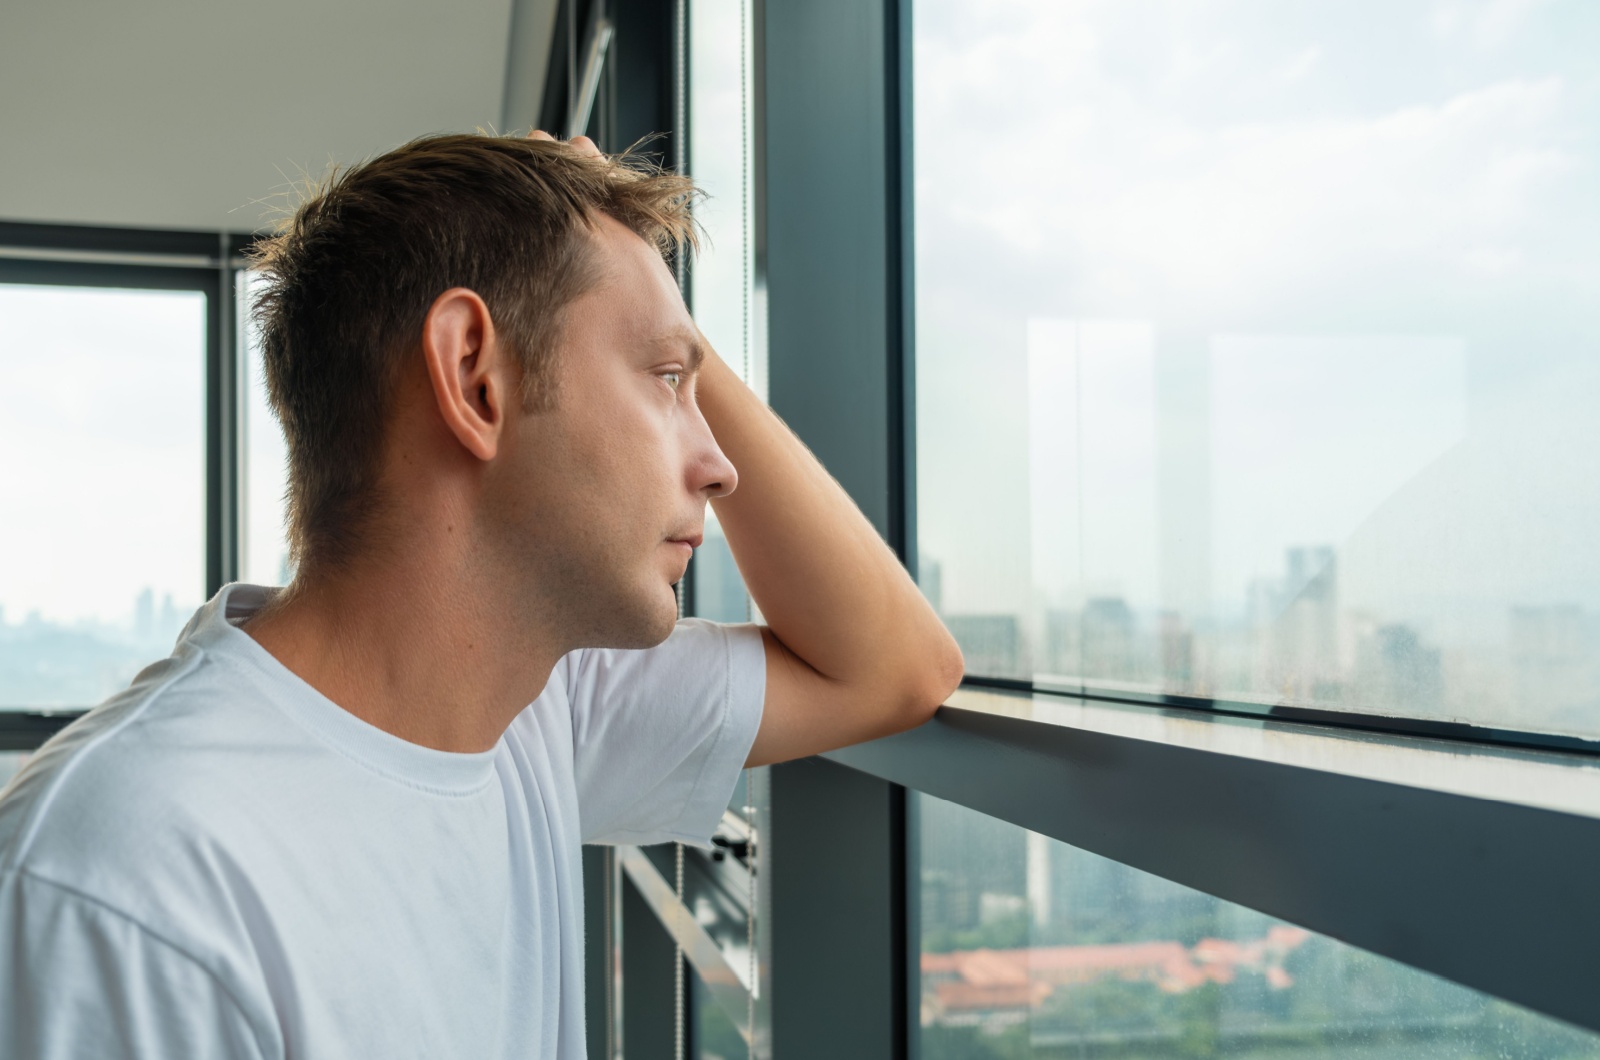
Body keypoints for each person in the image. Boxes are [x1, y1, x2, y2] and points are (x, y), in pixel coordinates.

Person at [0, 131, 962, 1059]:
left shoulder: (536, 708)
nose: (719, 466)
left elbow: (895, 670)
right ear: (474, 378)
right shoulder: (116, 880)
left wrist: (661, 322)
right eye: (668, 381)